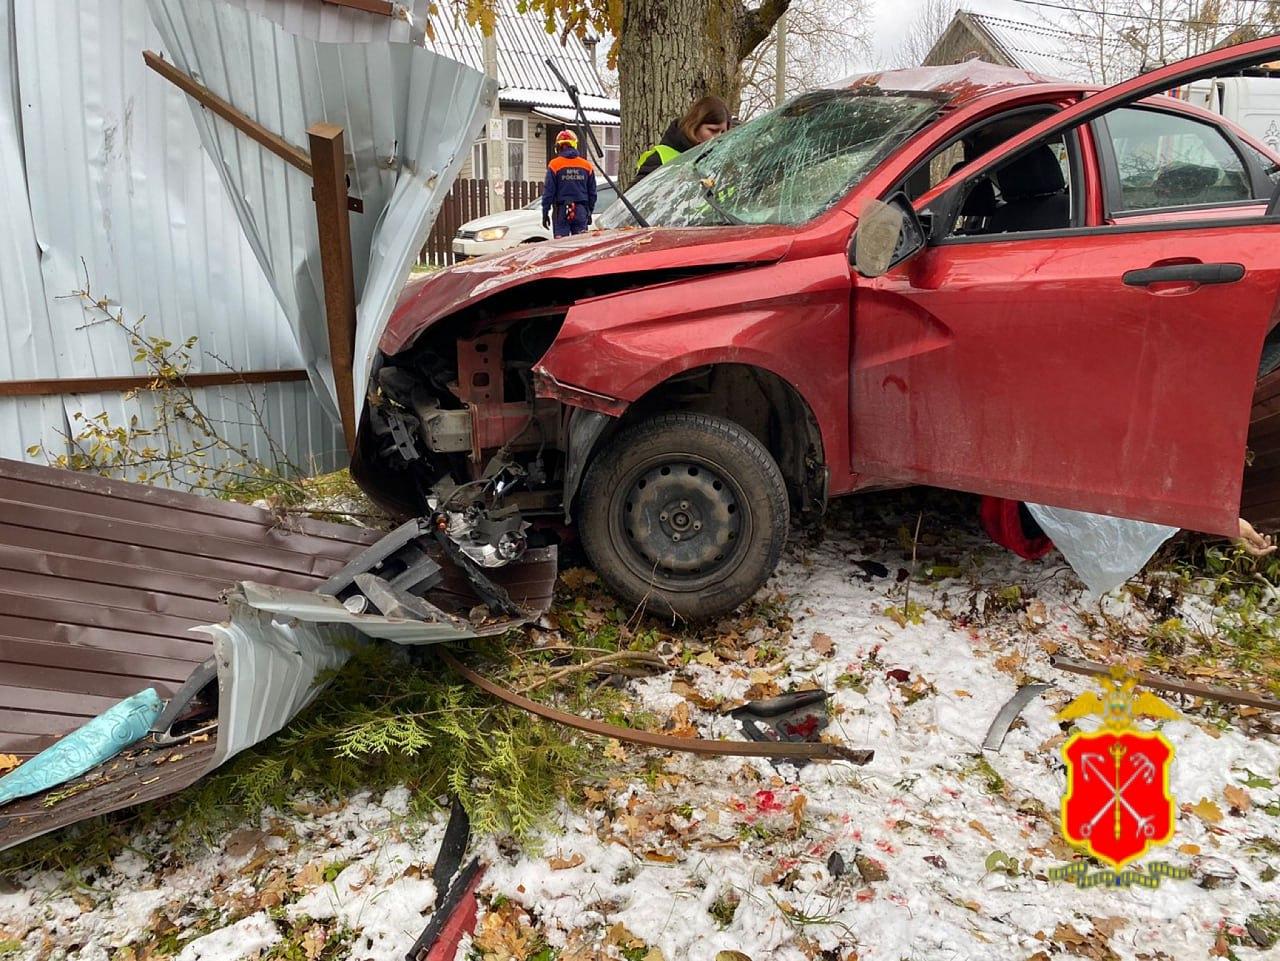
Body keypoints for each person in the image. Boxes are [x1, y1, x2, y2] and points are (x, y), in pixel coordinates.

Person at [634, 95, 730, 182]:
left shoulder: (721, 164)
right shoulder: (660, 158)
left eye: (723, 132)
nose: (719, 137)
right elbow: (634, 198)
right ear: (694, 126)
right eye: (713, 130)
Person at [541, 129, 596, 238]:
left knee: (561, 245)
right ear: (574, 144)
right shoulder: (586, 166)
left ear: (558, 146)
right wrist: (589, 211)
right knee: (580, 246)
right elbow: (592, 193)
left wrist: (545, 212)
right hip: (580, 210)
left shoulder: (554, 165)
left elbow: (548, 192)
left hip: (561, 211)